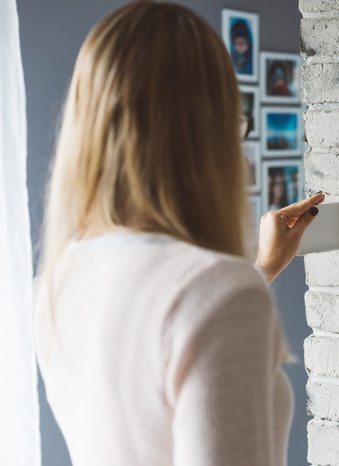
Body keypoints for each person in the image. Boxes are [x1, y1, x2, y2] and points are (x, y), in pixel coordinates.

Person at [33, 2, 322, 465]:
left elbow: (163, 338)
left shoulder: (59, 279)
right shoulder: (222, 294)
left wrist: (261, 270)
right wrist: (243, 284)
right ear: (205, 134)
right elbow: (191, 316)